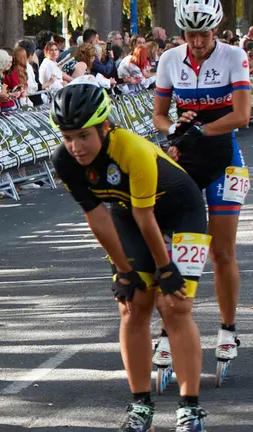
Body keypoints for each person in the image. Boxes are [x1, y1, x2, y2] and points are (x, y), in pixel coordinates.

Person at [51, 80, 208, 432]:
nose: (75, 147)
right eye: (67, 136)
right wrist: (124, 271)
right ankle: (140, 404)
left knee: (175, 306)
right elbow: (98, 217)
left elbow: (146, 216)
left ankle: (190, 407)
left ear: (105, 127)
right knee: (133, 304)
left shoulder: (132, 150)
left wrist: (166, 269)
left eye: (84, 136)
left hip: (182, 210)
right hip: (127, 213)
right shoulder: (65, 160)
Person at [153, 0, 252, 387]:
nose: (197, 42)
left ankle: (227, 329)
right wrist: (174, 127)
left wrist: (201, 130)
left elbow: (243, 114)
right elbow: (160, 116)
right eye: (190, 35)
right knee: (172, 247)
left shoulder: (234, 56)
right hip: (186, 163)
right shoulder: (169, 60)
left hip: (225, 160)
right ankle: (167, 331)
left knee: (222, 250)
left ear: (217, 30)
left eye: (205, 34)